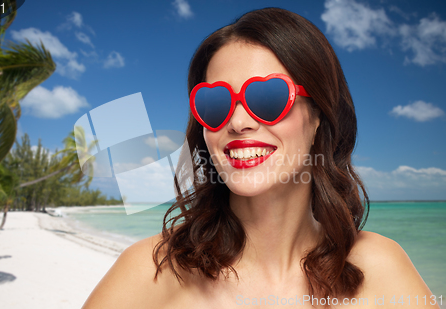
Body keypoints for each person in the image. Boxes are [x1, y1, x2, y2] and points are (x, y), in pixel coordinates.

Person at [83, 8, 439, 308]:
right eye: (215, 104)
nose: (238, 122)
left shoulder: (381, 268)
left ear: (318, 116)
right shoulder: (149, 271)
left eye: (267, 97)